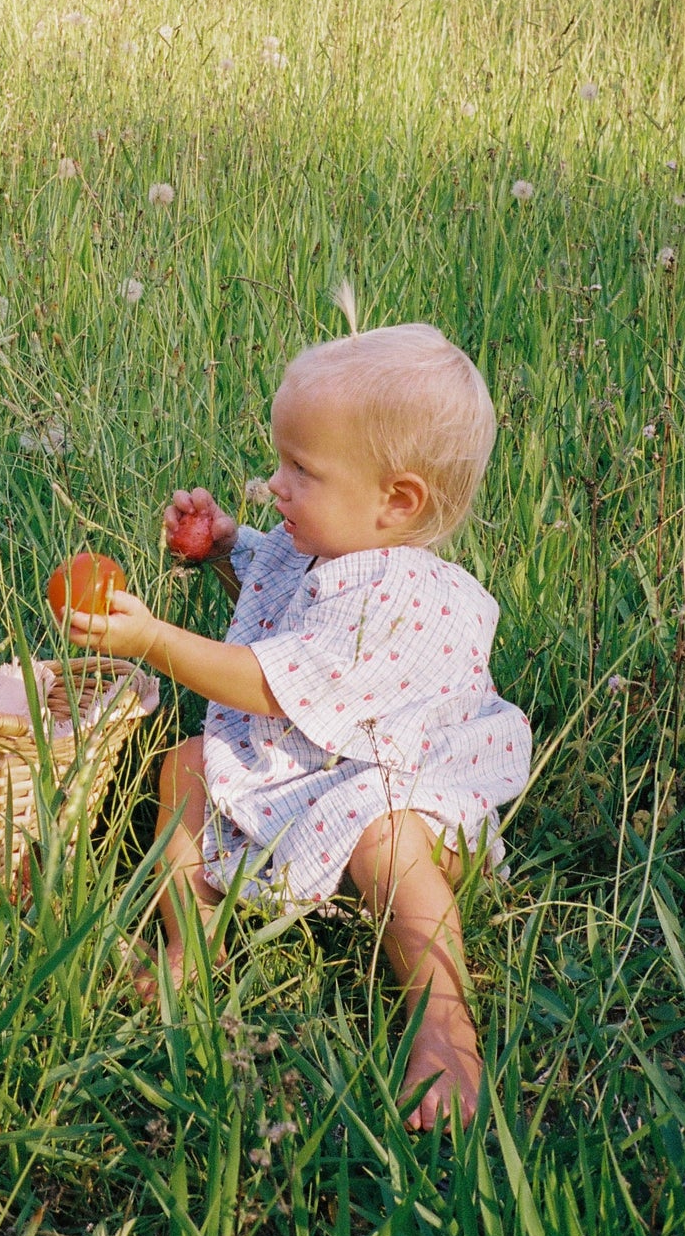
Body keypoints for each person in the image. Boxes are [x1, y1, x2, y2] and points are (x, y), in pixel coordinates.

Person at [63, 322, 530, 1132]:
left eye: (301, 470)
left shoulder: (397, 596)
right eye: (280, 461)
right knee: (185, 763)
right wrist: (220, 549)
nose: (273, 485)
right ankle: (190, 946)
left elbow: (267, 683)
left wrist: (152, 641)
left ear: (397, 500)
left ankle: (445, 1026)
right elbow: (276, 591)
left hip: (401, 793)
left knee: (387, 840)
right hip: (311, 770)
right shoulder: (325, 538)